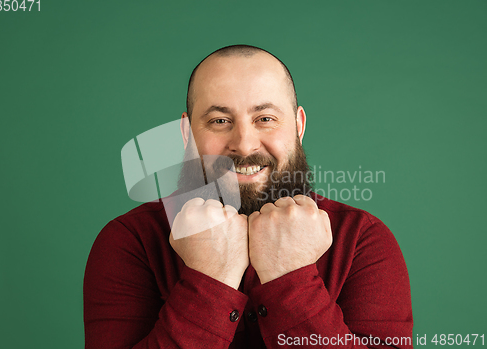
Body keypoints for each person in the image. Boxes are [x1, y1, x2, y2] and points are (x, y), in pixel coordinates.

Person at [83, 45, 413, 348]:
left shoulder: (362, 239)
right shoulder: (130, 241)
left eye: (265, 119)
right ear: (187, 133)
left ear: (298, 126)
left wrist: (291, 277)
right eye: (220, 121)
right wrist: (211, 277)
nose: (244, 144)